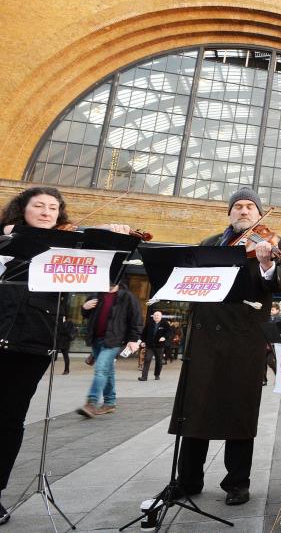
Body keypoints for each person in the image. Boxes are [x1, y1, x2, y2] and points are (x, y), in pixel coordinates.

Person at [0, 186, 132, 527]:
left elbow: (107, 276)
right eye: (39, 206)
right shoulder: (3, 241)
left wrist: (112, 239)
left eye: (53, 208)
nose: (46, 212)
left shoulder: (65, 246)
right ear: (22, 210)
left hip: (33, 341)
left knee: (10, 419)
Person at [172, 187, 281, 506]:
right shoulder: (210, 244)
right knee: (194, 411)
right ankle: (188, 479)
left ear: (259, 214)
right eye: (237, 206)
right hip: (205, 338)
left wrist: (266, 263)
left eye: (250, 207)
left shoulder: (272, 243)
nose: (243, 211)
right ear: (229, 213)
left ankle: (237, 482)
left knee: (239, 411)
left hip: (244, 339)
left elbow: (279, 281)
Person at [76, 282, 143, 417]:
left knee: (101, 369)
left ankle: (91, 402)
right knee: (108, 371)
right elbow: (87, 315)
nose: (108, 283)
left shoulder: (126, 297)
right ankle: (110, 402)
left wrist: (133, 339)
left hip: (113, 340)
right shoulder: (96, 295)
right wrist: (84, 307)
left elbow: (136, 318)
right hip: (96, 339)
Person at [139, 309, 171, 381]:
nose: (156, 316)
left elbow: (169, 332)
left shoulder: (165, 324)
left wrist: (164, 337)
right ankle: (144, 377)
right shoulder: (149, 323)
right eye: (155, 315)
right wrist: (143, 341)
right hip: (149, 345)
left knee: (159, 361)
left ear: (161, 316)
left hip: (159, 346)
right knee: (147, 359)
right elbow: (144, 333)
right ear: (153, 316)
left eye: (158, 315)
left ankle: (157, 374)